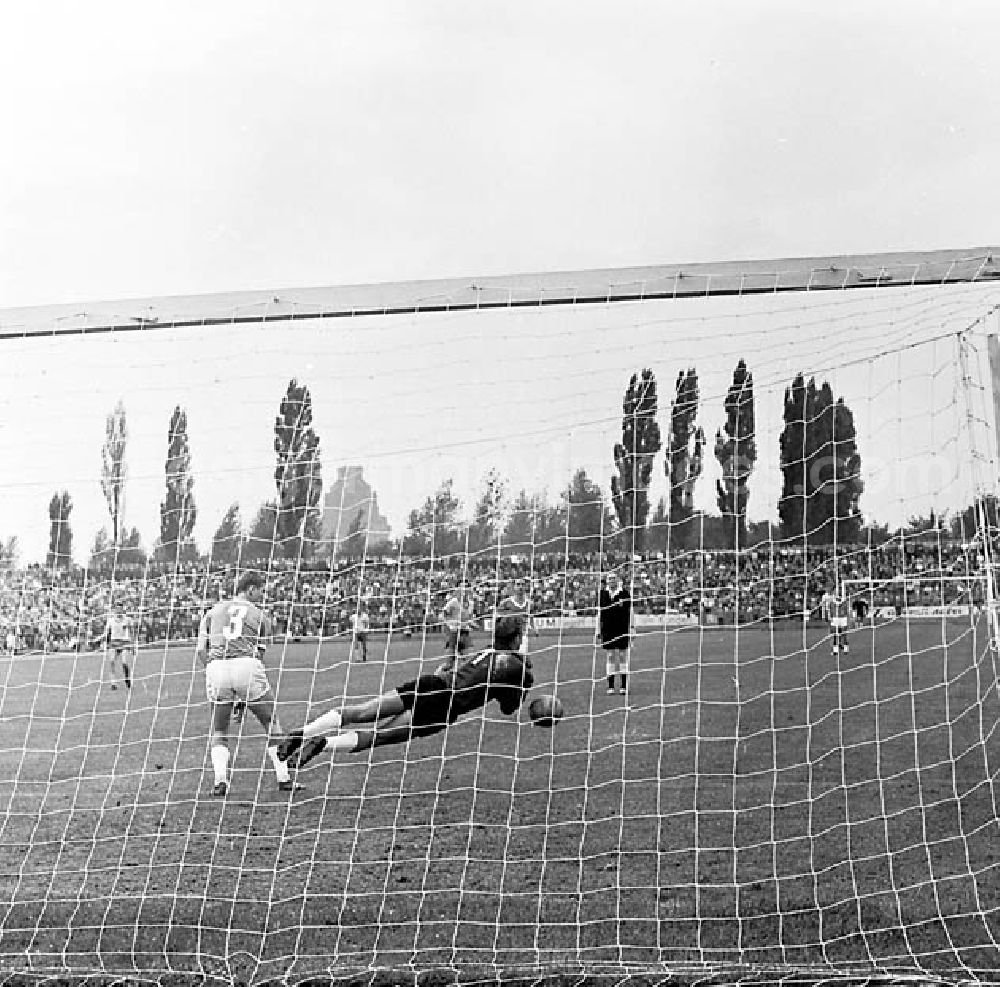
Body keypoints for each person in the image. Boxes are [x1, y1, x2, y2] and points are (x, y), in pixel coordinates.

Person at [277, 614, 533, 769]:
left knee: (362, 710)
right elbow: (509, 708)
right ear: (516, 639)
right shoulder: (518, 667)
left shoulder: (485, 652)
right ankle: (325, 744)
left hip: (431, 683)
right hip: (445, 705)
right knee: (381, 735)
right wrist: (524, 685)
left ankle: (303, 733)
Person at [195, 571, 299, 797]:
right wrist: (244, 694)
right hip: (246, 665)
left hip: (216, 667)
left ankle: (220, 780)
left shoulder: (212, 612)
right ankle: (283, 778)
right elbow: (259, 654)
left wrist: (213, 674)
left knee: (220, 730)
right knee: (271, 723)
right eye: (260, 590)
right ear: (250, 589)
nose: (261, 595)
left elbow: (201, 650)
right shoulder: (260, 616)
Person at [597, 571, 632, 695]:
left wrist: (632, 629)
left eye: (614, 579)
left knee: (622, 656)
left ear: (617, 580)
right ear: (607, 581)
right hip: (607, 629)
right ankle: (610, 686)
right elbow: (600, 613)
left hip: (622, 629)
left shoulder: (625, 593)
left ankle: (623, 686)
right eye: (610, 579)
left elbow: (630, 612)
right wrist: (598, 630)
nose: (612, 581)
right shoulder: (602, 594)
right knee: (610, 656)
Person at [499, 577, 535, 661]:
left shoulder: (529, 603)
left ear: (526, 587)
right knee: (507, 660)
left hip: (522, 636)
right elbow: (499, 620)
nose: (520, 587)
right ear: (514, 587)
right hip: (508, 636)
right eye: (518, 584)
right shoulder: (505, 603)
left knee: (521, 659)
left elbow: (531, 616)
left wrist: (534, 628)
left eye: (522, 584)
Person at [102, 604, 134, 691]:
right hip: (114, 642)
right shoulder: (111, 620)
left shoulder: (127, 619)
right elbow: (107, 633)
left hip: (124, 643)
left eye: (120, 608)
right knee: (112, 661)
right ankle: (113, 683)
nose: (119, 610)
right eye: (117, 609)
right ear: (115, 610)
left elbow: (131, 632)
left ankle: (127, 678)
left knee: (124, 662)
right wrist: (105, 642)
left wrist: (133, 644)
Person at [440, 583, 475, 657]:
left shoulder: (471, 603)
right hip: (453, 631)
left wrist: (472, 624)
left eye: (466, 587)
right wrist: (449, 624)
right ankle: (446, 666)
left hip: (464, 631)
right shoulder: (453, 602)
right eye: (461, 588)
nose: (464, 590)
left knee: (467, 656)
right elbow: (443, 614)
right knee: (450, 658)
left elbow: (469, 618)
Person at [821, 581, 850, 655]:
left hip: (841, 618)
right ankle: (838, 650)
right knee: (836, 634)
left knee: (842, 634)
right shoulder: (831, 600)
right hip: (837, 618)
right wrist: (827, 616)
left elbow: (846, 609)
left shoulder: (842, 600)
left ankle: (843, 649)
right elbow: (828, 609)